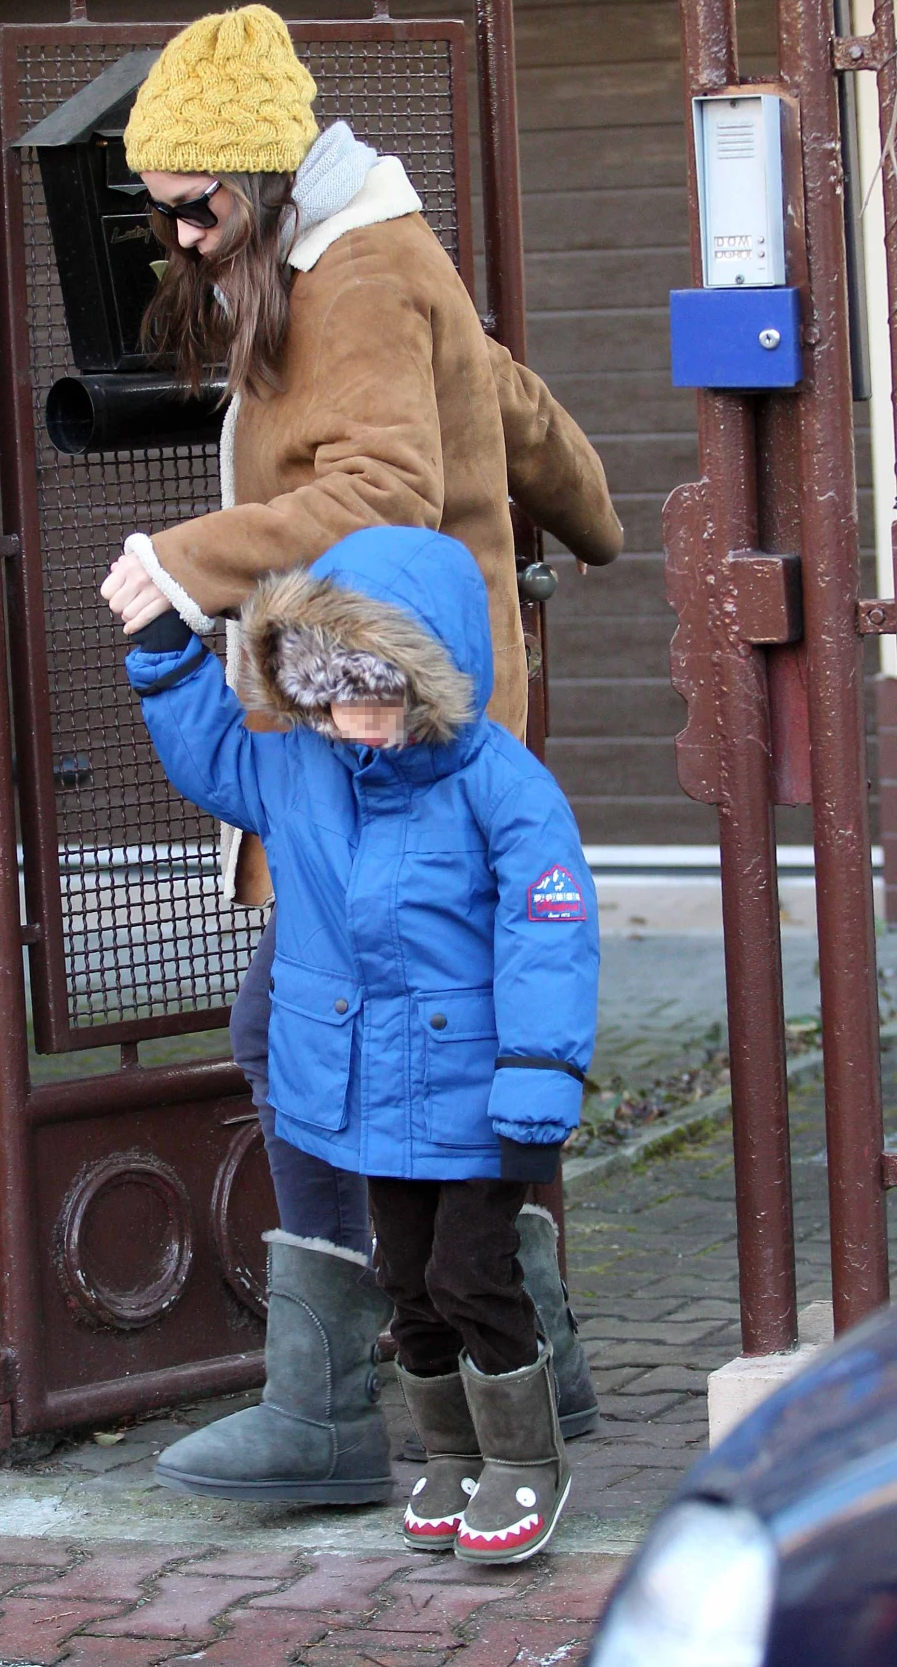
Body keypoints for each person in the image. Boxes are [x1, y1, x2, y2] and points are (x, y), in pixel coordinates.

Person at [100, 3, 618, 1495]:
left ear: (264, 179)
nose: (180, 237)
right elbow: (504, 400)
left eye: (196, 206)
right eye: (163, 209)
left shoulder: (361, 273)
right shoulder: (379, 256)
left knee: (303, 1035)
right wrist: (588, 514)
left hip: (386, 735)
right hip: (394, 726)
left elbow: (386, 485)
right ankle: (546, 1360)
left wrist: (186, 559)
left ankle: (333, 1408)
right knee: (423, 1034)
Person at [123, 526, 598, 1563]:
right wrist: (163, 639)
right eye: (334, 697)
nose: (360, 724)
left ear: (433, 679)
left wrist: (536, 1080)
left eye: (382, 696)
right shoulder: (303, 768)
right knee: (411, 1284)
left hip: (479, 1094)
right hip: (371, 1094)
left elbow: (546, 938)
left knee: (475, 1278)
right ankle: (449, 1452)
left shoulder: (499, 786)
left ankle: (524, 1458)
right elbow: (210, 754)